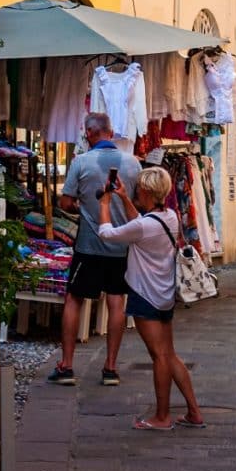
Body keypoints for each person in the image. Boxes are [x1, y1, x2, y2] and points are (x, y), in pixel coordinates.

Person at [98, 166, 204, 431]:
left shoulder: (146, 225)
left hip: (145, 295)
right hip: (165, 294)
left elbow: (106, 234)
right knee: (169, 354)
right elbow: (142, 226)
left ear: (145, 191)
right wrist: (123, 198)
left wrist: (105, 203)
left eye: (136, 190)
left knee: (159, 356)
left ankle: (162, 417)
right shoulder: (170, 217)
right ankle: (193, 412)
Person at [48, 112, 141, 386]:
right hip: (120, 245)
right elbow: (135, 203)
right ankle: (110, 368)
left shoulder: (81, 163)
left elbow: (65, 203)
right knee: (116, 302)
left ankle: (66, 366)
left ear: (89, 134)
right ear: (110, 133)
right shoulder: (133, 163)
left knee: (74, 298)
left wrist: (82, 207)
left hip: (89, 245)